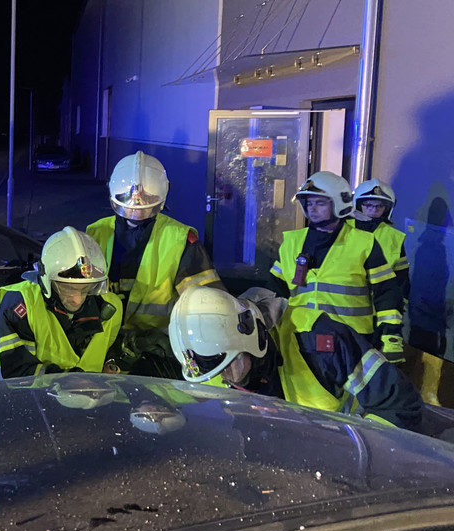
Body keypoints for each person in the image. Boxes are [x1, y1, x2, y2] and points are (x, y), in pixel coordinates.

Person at [168, 284, 422, 430]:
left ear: (253, 340)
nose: (225, 378)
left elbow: (400, 405)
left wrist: (361, 448)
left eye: (229, 367)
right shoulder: (212, 363)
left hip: (344, 458)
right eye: (214, 372)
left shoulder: (318, 340)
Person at [270, 171, 404, 363]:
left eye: (320, 203)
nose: (312, 208)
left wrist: (390, 337)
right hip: (298, 339)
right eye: (309, 202)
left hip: (351, 343)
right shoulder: (291, 242)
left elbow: (386, 294)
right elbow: (274, 291)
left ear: (339, 203)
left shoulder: (363, 243)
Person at [86, 151, 222, 333]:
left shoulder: (181, 240)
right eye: (129, 203)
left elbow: (210, 304)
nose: (137, 207)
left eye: (146, 200)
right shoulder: (95, 233)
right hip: (101, 339)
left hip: (157, 343)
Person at [0, 227, 123, 381]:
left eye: (85, 289)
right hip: (3, 392)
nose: (77, 299)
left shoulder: (110, 306)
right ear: (47, 281)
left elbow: (108, 354)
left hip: (78, 394)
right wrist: (73, 382)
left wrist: (113, 363)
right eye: (67, 289)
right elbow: (19, 370)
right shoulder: (21, 304)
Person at [350, 178, 409, 363]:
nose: (373, 210)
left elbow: (402, 283)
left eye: (379, 206)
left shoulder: (394, 238)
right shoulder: (342, 231)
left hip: (379, 317)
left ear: (387, 208)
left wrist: (393, 326)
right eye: (368, 205)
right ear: (358, 205)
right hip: (346, 313)